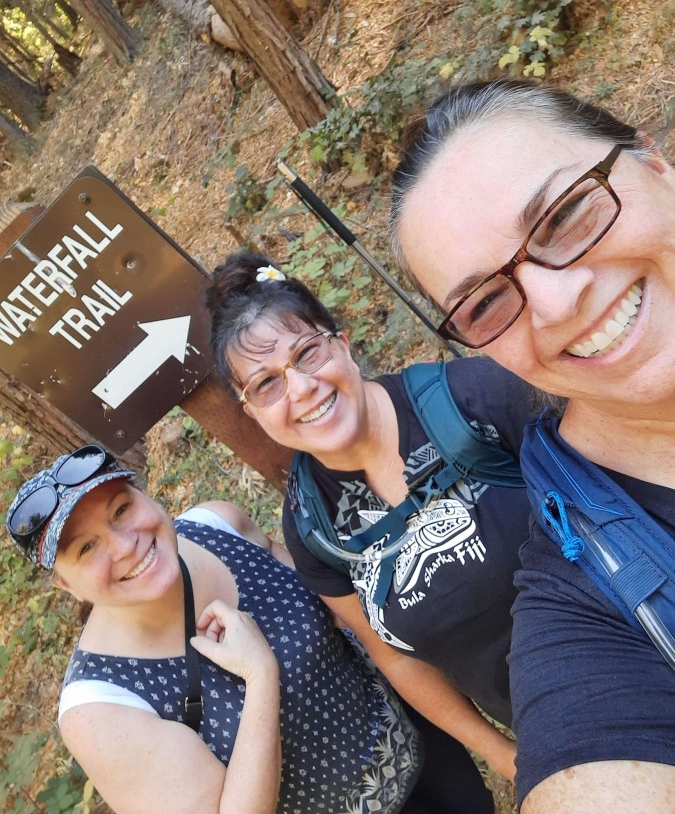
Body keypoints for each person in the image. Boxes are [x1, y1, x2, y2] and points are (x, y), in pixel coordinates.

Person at [388, 78, 675, 812]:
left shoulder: (460, 403)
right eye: (484, 303)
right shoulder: (579, 617)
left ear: (652, 162)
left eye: (564, 215)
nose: (554, 302)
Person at [206, 251, 539, 792]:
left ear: (340, 341)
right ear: (253, 412)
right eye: (266, 385)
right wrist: (505, 756)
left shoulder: (473, 398)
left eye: (307, 354)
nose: (300, 389)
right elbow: (391, 655)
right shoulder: (313, 531)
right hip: (548, 726)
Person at [5, 444, 439, 814]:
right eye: (85, 547)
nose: (124, 545)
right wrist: (260, 676)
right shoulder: (100, 708)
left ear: (146, 496)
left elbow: (343, 614)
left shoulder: (220, 525)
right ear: (66, 586)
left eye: (121, 508)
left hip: (423, 754)